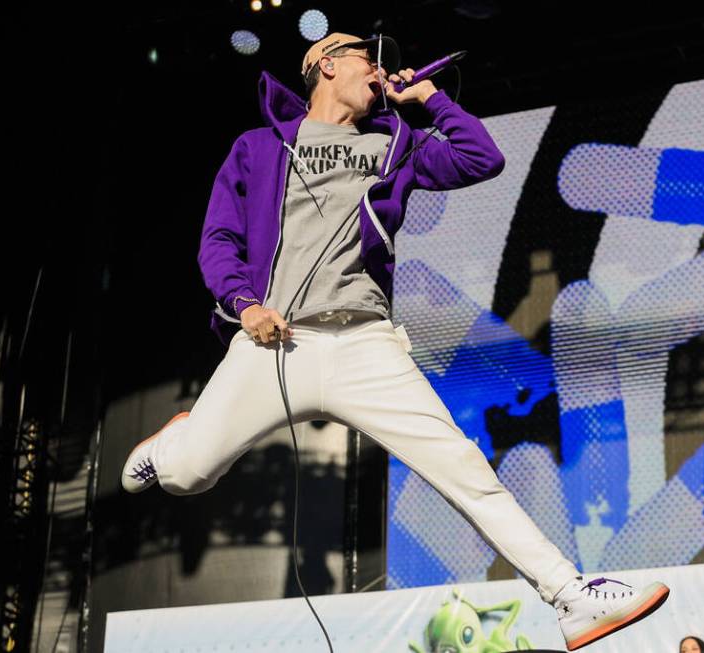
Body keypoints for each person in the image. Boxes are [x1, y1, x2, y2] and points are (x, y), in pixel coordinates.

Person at [120, 31, 669, 651]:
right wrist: (244, 306)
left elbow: (480, 158)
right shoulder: (259, 146)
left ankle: (571, 596)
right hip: (274, 342)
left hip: (364, 344)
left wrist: (429, 100)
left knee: (460, 465)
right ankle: (173, 445)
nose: (379, 71)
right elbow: (218, 242)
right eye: (366, 59)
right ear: (325, 65)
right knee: (190, 474)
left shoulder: (394, 144)